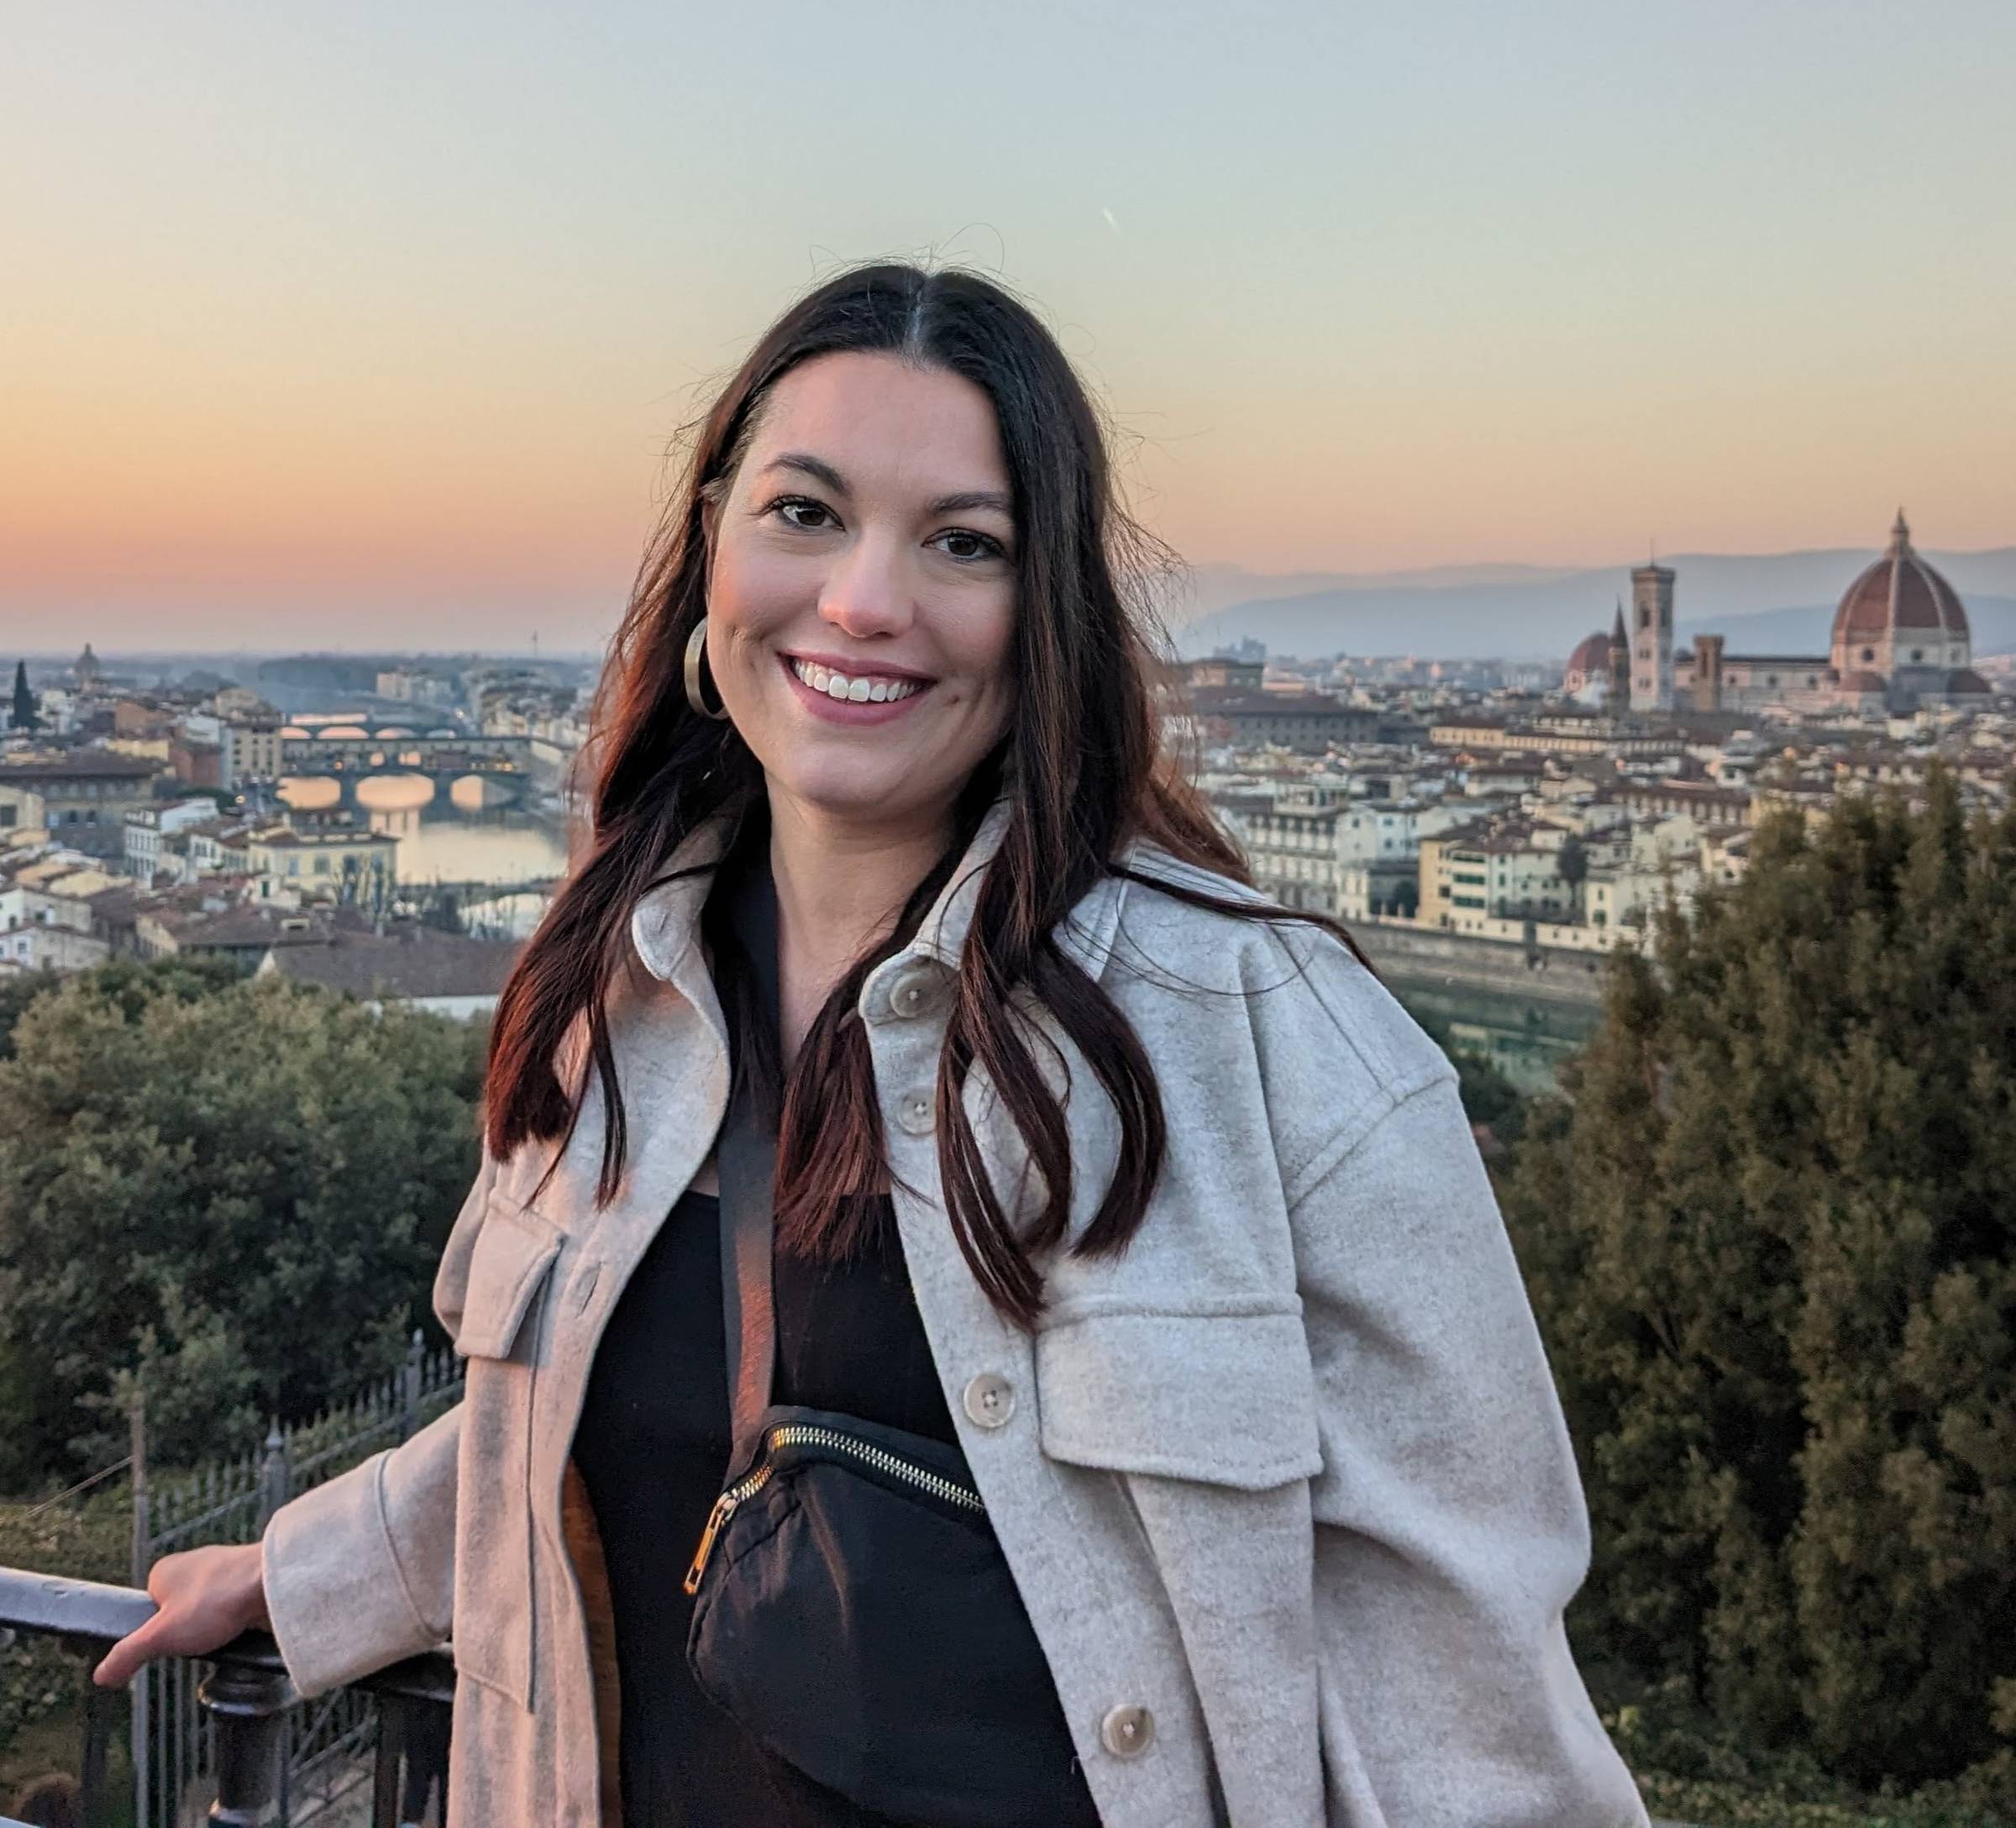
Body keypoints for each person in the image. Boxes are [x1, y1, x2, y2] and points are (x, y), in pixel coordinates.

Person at [94, 261, 1648, 1827]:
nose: (862, 601)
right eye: (805, 513)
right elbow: (565, 1422)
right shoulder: (608, 996)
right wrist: (307, 1574)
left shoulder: (1270, 1040)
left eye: (964, 543)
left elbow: (1476, 1739)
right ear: (713, 543)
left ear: (1045, 618)